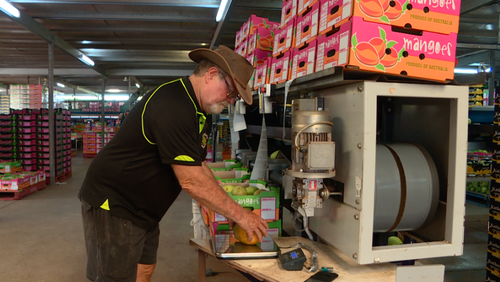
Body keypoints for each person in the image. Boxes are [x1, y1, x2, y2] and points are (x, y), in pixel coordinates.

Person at [78, 45, 268, 282]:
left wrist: (227, 207)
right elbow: (191, 181)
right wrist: (241, 215)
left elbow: (198, 166)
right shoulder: (174, 104)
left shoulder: (200, 112)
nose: (231, 101)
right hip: (116, 203)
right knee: (116, 278)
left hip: (144, 210)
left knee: (144, 269)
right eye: (230, 92)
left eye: (235, 97)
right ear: (210, 75)